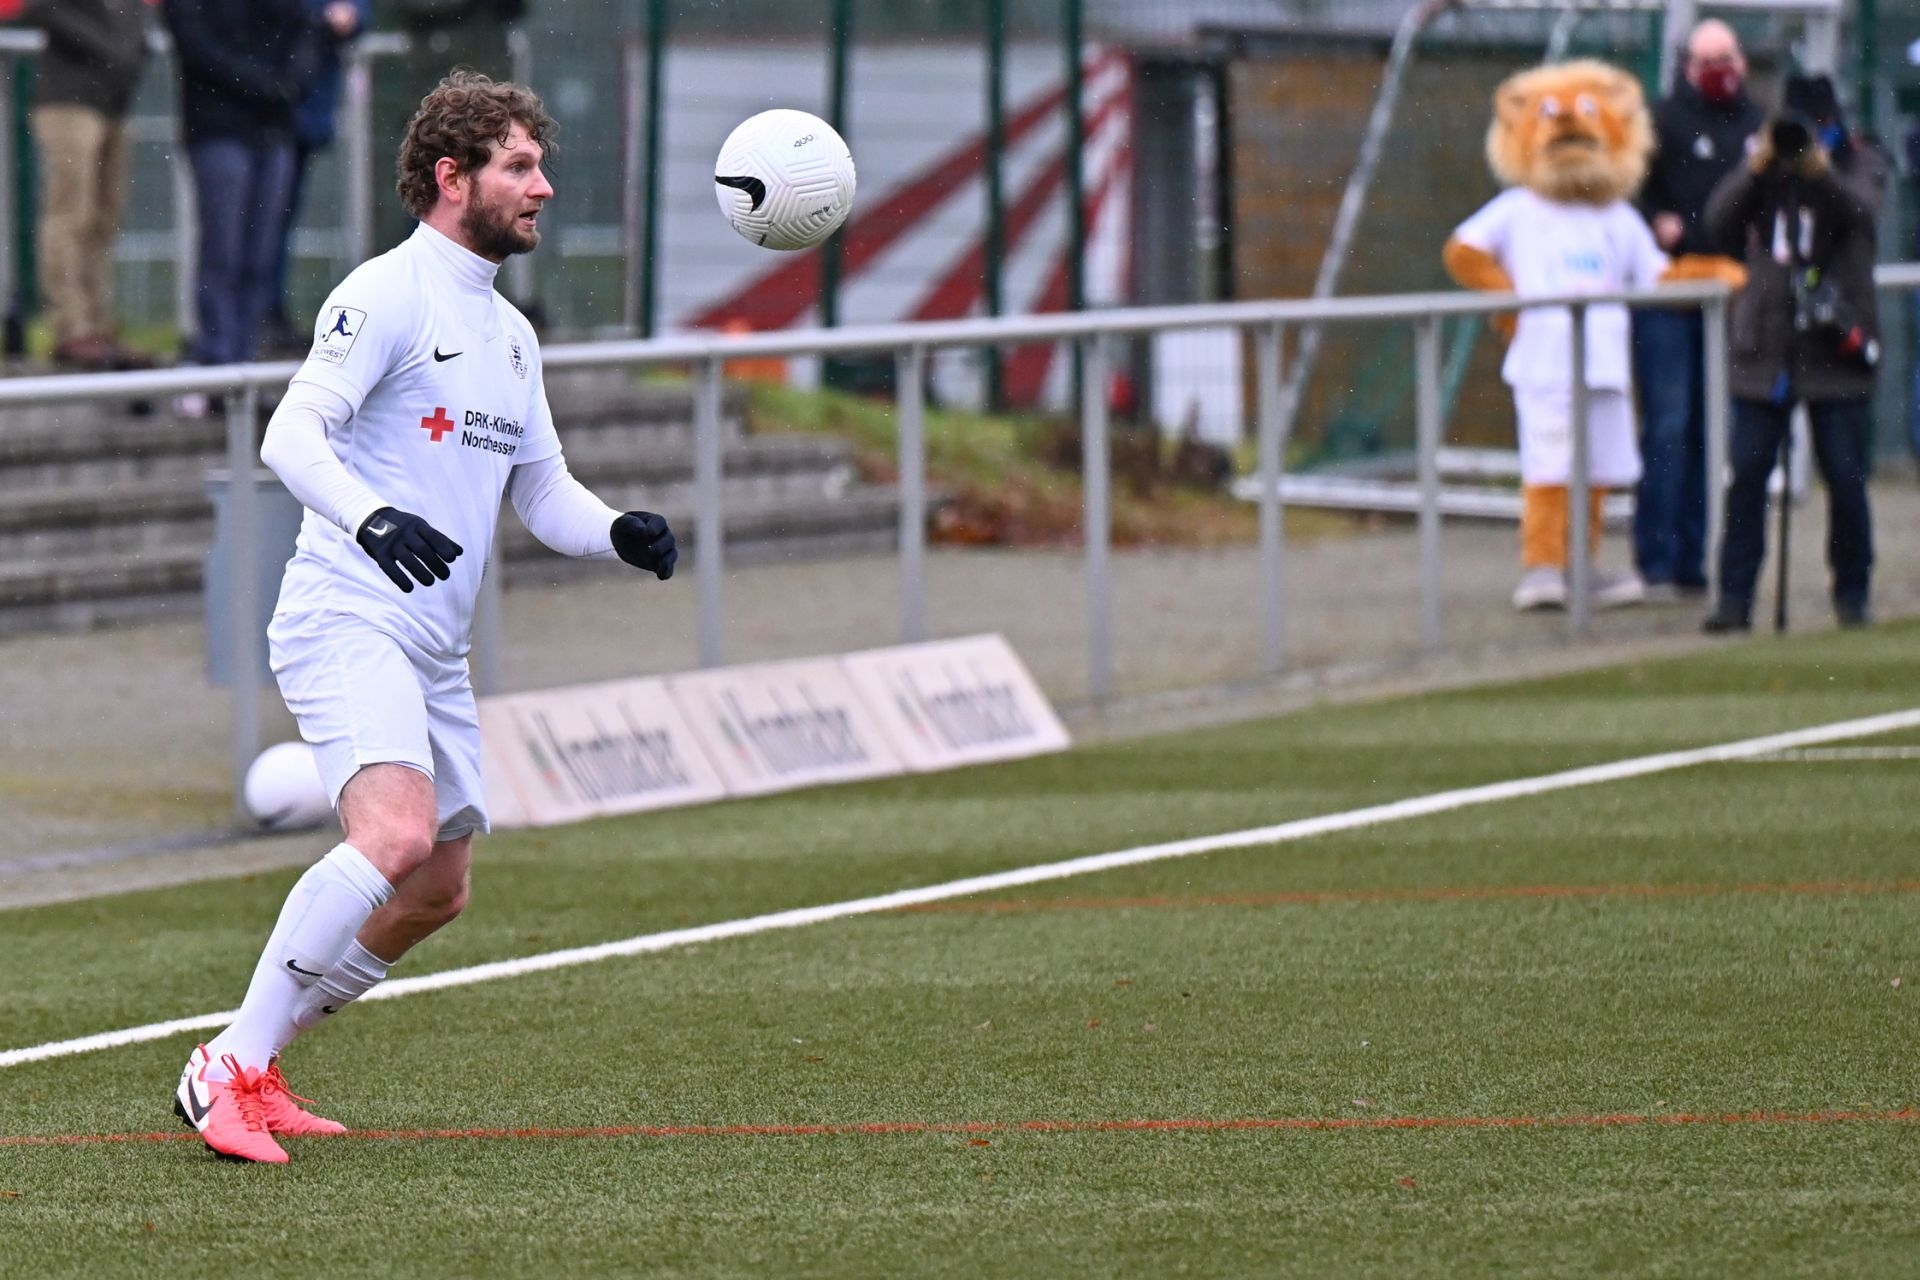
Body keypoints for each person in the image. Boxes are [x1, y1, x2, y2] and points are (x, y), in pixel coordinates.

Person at [172, 71, 679, 1164]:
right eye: (519, 166)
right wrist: (370, 518)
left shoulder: (511, 334)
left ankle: (257, 1058)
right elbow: (289, 436)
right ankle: (224, 1069)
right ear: (452, 177)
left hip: (435, 648)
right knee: (394, 837)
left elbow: (544, 493)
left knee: (436, 890)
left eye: (540, 164)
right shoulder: (385, 293)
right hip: (348, 614)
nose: (543, 186)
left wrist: (618, 530)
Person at [1701, 74, 1888, 633]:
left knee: (1845, 477)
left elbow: (1864, 213)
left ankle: (1852, 594)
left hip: (1836, 344)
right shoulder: (1766, 170)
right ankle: (1734, 599)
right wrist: (1755, 169)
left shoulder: (1862, 161)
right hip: (1767, 348)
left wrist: (1820, 172)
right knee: (1747, 476)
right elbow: (1717, 223)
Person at [1632, 19, 1765, 598]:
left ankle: (1696, 557)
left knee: (1713, 429)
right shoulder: (1661, 121)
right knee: (1668, 425)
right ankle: (1655, 558)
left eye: (1727, 58)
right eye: (1708, 61)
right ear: (1688, 66)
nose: (1719, 71)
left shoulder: (1757, 124)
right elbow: (1630, 188)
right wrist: (1656, 220)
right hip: (1670, 295)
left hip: (1730, 296)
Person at [161, 0, 326, 377]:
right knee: (223, 251)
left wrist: (289, 82)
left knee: (260, 255)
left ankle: (244, 362)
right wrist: (262, 83)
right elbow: (196, 43)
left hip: (274, 128)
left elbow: (306, 28)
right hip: (218, 127)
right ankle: (219, 362)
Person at [23, 0, 151, 370]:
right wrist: (108, 49)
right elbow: (41, 10)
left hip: (114, 102)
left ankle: (96, 323)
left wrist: (126, 56)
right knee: (70, 214)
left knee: (104, 217)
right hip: (69, 100)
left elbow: (134, 30)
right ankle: (71, 327)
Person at [263, 0, 371, 356]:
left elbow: (356, 14)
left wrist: (347, 16)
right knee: (260, 221)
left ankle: (268, 314)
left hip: (301, 104)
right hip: (266, 105)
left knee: (277, 218)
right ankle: (256, 317)